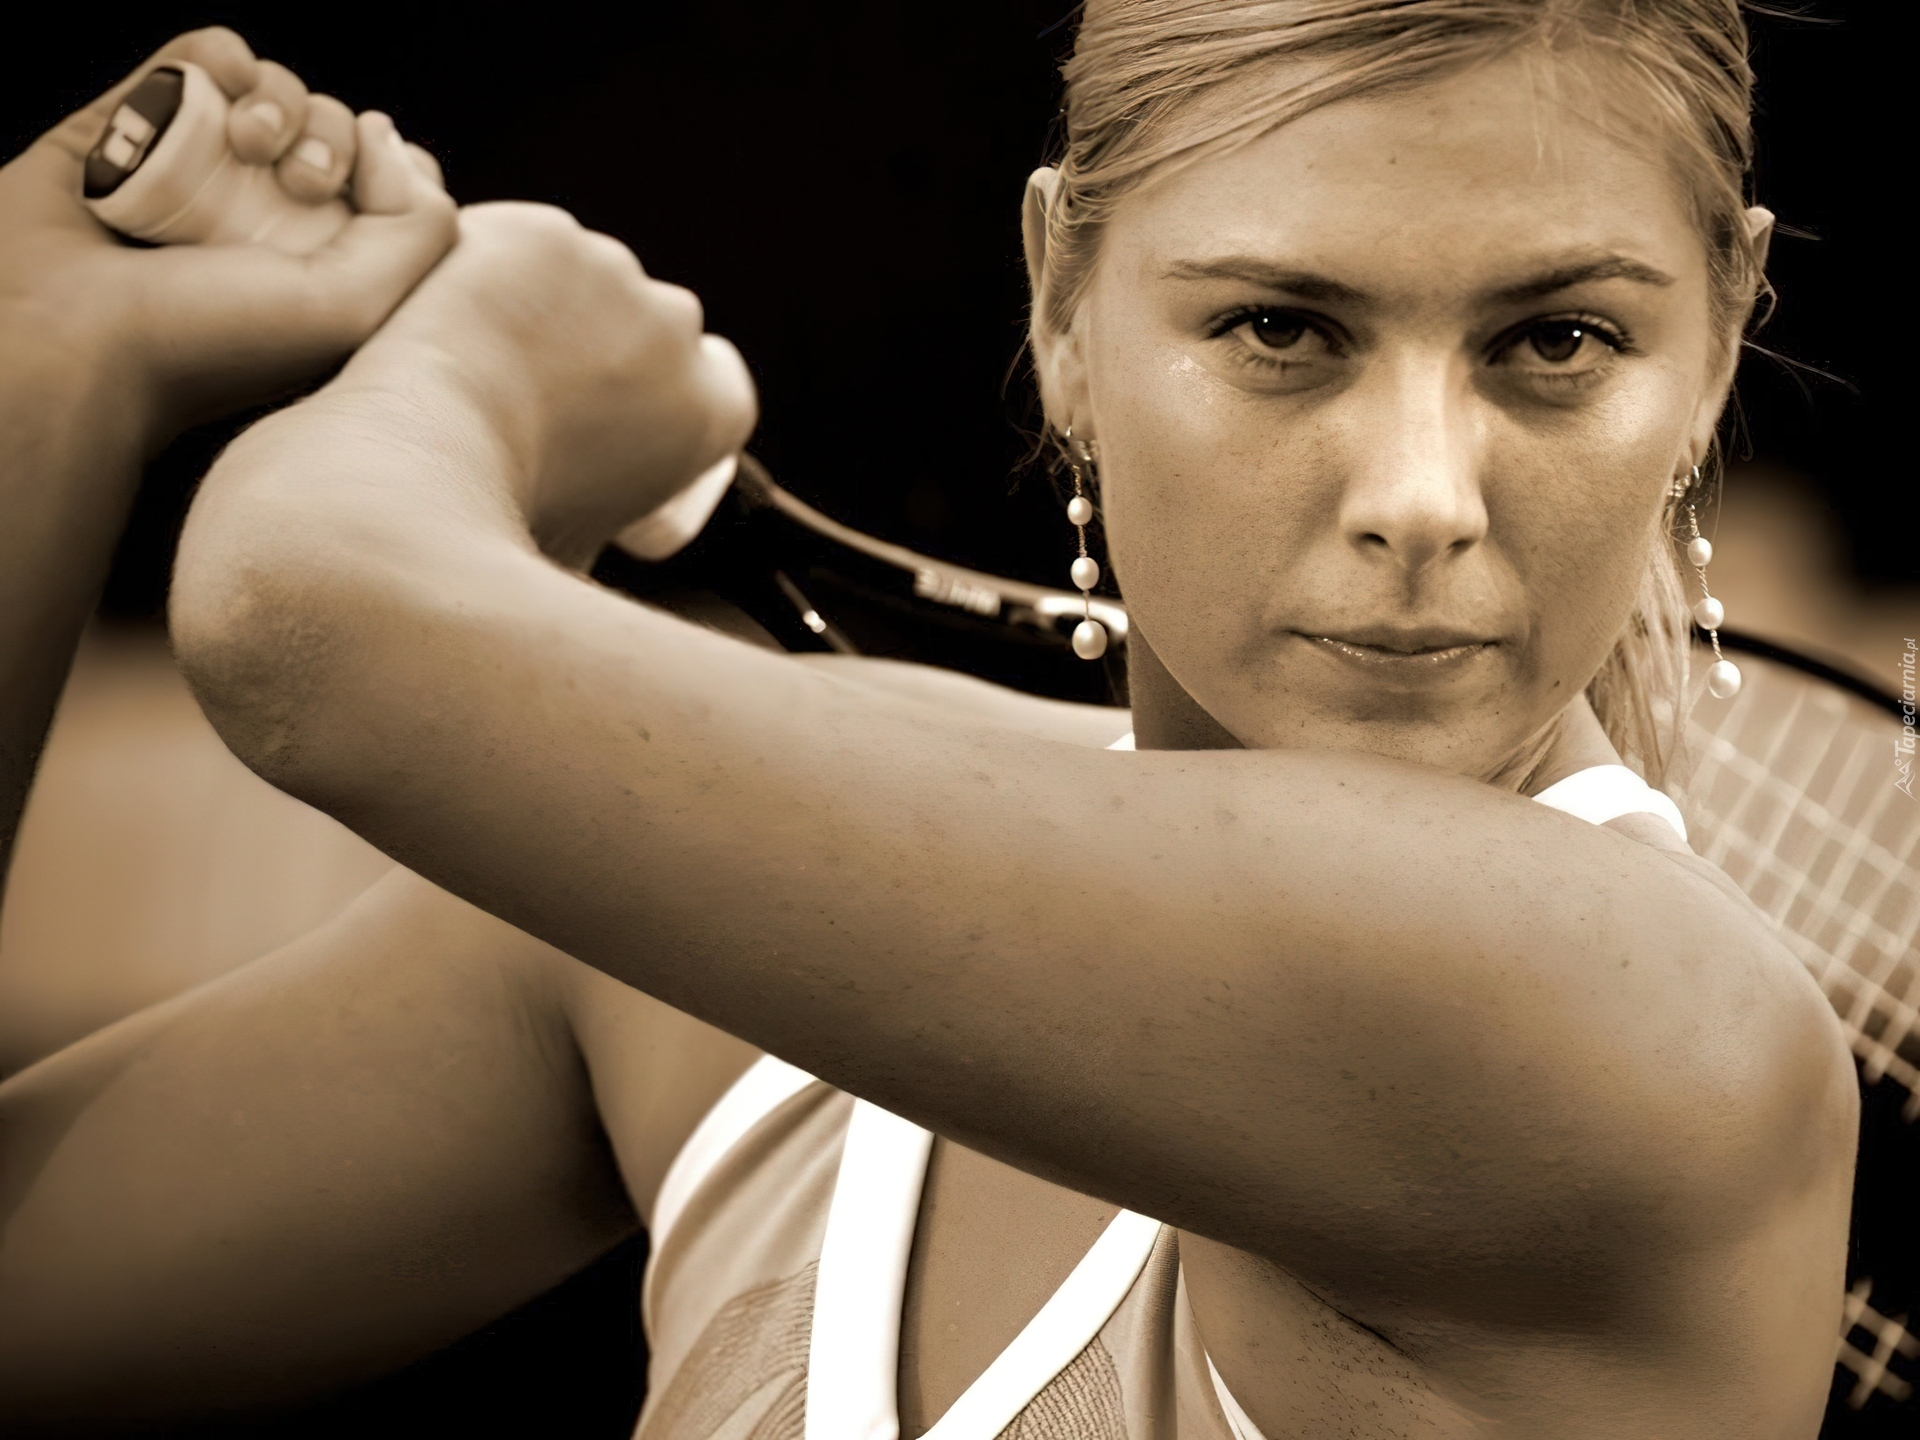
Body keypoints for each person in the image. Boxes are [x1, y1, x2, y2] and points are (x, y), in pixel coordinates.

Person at [0, 4, 1862, 1437]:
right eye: (1282, 331)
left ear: (1716, 345)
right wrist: (47, 359)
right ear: (1061, 304)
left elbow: (306, 621)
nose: (1423, 499)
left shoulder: (1649, 1035)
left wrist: (488, 360)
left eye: (1556, 343)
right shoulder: (718, 935)